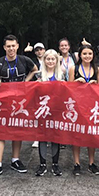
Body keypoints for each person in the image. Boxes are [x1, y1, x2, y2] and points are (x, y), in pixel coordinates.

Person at [0, 34, 38, 178]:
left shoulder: (24, 60)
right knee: (0, 131)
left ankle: (15, 160)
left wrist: (26, 82)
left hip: (20, 102)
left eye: (13, 46)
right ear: (4, 47)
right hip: (3, 102)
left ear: (17, 46)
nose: (11, 49)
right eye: (8, 46)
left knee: (17, 130)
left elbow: (35, 70)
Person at [71, 43, 99, 176]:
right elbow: (69, 87)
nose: (87, 56)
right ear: (80, 55)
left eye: (90, 53)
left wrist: (96, 85)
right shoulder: (74, 68)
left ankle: (91, 163)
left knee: (91, 135)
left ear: (93, 55)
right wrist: (76, 82)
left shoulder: (97, 69)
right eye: (84, 54)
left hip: (93, 106)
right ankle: (76, 163)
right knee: (77, 134)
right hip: (78, 105)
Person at [34, 49, 65, 177]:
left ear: (56, 61)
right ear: (44, 60)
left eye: (53, 59)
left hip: (56, 110)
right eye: (48, 59)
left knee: (55, 137)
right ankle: (42, 164)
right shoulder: (39, 75)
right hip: (43, 110)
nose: (50, 61)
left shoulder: (61, 75)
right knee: (42, 137)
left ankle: (55, 164)